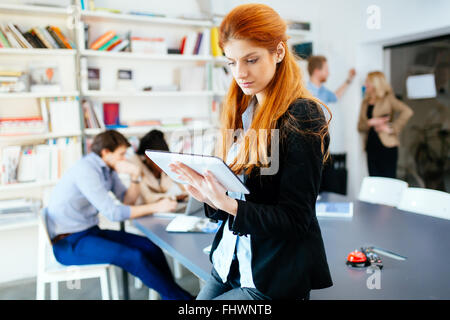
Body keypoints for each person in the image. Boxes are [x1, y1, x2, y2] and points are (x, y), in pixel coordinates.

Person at [169, 4, 332, 300]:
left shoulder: (302, 115)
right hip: (228, 264)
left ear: (279, 52)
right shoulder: (244, 111)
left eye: (251, 59)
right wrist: (207, 195)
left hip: (270, 279)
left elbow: (296, 220)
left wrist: (229, 206)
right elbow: (240, 199)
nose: (240, 73)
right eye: (232, 63)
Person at [47, 130, 193, 300]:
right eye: (121, 154)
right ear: (106, 153)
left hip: (89, 232)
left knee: (149, 247)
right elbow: (114, 213)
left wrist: (135, 176)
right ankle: (183, 300)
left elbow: (127, 201)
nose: (124, 158)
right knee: (134, 257)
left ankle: (174, 296)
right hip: (68, 243)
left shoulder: (107, 169)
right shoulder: (86, 170)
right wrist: (156, 206)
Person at [357, 71, 414, 178]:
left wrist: (392, 128)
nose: (365, 85)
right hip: (371, 145)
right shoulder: (365, 103)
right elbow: (360, 126)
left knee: (388, 181)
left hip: (387, 146)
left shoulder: (388, 99)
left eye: (367, 82)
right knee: (374, 180)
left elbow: (407, 111)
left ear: (375, 83)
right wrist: (371, 122)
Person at [130, 129, 188, 205]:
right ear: (148, 158)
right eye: (159, 160)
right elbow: (148, 198)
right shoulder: (137, 169)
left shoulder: (166, 169)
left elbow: (185, 189)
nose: (162, 164)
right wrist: (174, 197)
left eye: (164, 159)